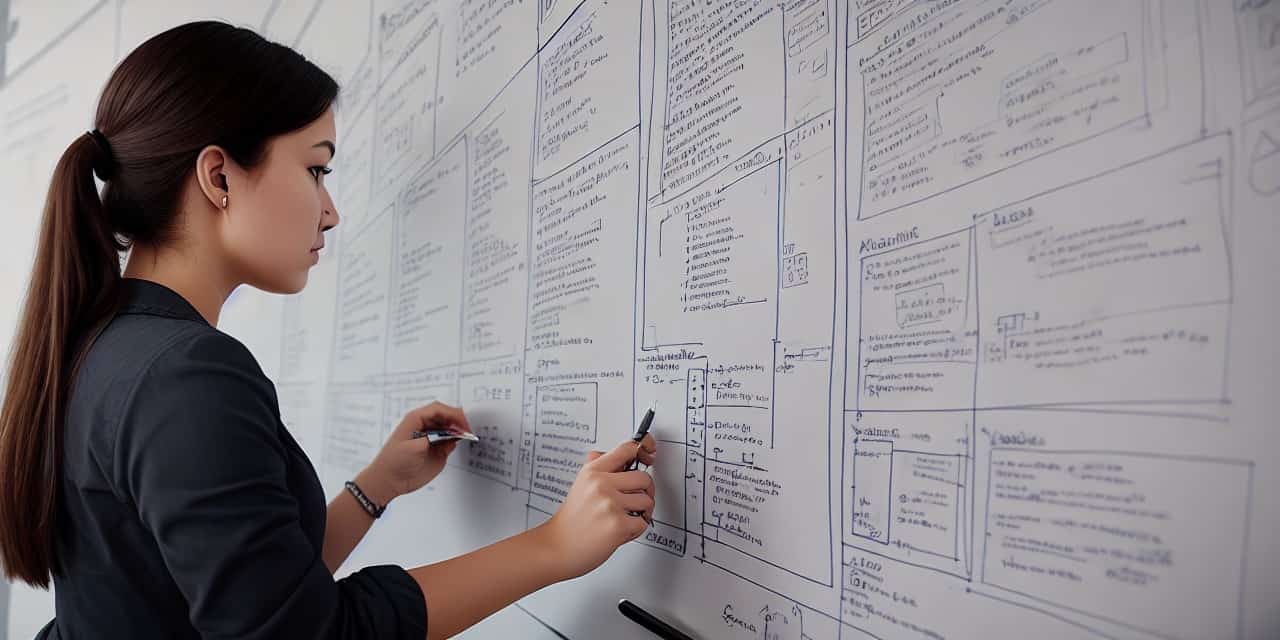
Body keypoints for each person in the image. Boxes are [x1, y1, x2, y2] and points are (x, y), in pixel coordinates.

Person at [0, 21, 657, 640]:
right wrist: (554, 545)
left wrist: (379, 485)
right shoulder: (185, 373)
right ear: (219, 176)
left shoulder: (104, 345)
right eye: (317, 169)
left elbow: (242, 592)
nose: (331, 211)